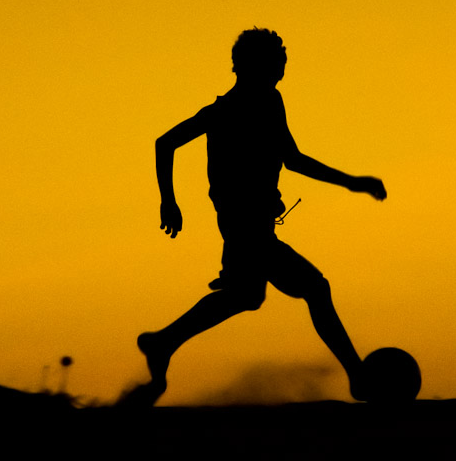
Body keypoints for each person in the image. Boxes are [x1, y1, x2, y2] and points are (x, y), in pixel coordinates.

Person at [137, 27, 386, 403]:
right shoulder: (226, 111)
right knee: (315, 288)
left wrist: (351, 183)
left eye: (282, 63)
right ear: (251, 66)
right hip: (244, 224)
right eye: (276, 62)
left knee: (245, 295)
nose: (282, 69)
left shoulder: (271, 101)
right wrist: (168, 202)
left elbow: (292, 159)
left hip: (250, 223)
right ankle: (359, 376)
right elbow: (165, 142)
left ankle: (163, 342)